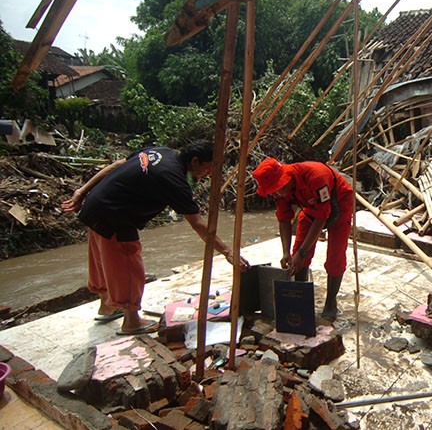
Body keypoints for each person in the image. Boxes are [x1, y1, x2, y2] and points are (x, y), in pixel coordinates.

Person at [61, 141, 249, 335]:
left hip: (96, 204)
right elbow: (198, 225)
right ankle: (131, 321)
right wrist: (227, 251)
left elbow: (116, 166)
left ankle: (107, 307)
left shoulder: (160, 152)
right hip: (115, 215)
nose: (209, 174)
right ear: (194, 161)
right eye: (208, 168)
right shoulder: (174, 180)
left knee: (103, 259)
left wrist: (82, 192)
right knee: (126, 265)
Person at [252, 157, 353, 320]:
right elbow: (284, 219)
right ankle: (301, 296)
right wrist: (287, 253)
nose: (277, 192)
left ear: (287, 178)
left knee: (336, 255)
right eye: (273, 190)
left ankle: (331, 302)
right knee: (297, 252)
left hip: (339, 204)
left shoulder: (316, 177)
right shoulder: (281, 192)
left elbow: (322, 217)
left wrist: (303, 252)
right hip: (310, 208)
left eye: (278, 188)